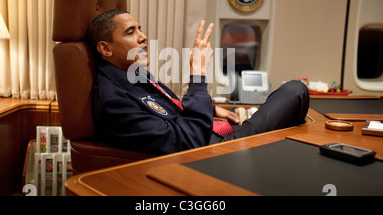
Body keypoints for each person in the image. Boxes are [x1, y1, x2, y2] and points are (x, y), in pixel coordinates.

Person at [86, 9, 310, 155]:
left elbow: (171, 109)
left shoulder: (132, 74)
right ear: (105, 48)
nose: (143, 36)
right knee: (295, 91)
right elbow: (189, 143)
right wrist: (199, 73)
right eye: (130, 32)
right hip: (211, 154)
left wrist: (211, 109)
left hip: (210, 136)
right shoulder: (114, 102)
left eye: (140, 28)